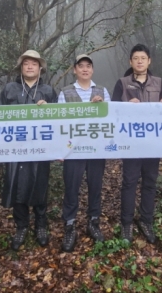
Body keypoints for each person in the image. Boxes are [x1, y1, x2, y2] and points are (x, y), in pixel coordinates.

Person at [0, 50, 58, 251]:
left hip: (41, 147)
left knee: (40, 183)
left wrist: (48, 109)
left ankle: (41, 225)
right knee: (17, 185)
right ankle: (21, 226)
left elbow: (59, 120)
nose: (30, 66)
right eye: (26, 64)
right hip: (15, 148)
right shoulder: (9, 89)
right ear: (21, 68)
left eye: (34, 63)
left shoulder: (48, 91)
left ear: (40, 68)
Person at [111, 43, 162, 244]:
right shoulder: (123, 83)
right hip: (131, 142)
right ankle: (126, 223)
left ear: (149, 60)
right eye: (136, 58)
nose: (140, 61)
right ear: (131, 61)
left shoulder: (159, 83)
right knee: (129, 182)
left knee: (150, 182)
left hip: (153, 142)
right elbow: (113, 109)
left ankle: (146, 221)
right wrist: (126, 106)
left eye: (143, 58)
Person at [57, 54, 110, 252]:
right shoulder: (65, 92)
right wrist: (60, 150)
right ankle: (70, 225)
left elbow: (109, 117)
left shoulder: (102, 91)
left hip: (96, 149)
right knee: (71, 187)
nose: (85, 69)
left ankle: (93, 221)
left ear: (93, 70)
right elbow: (60, 122)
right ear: (75, 70)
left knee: (95, 186)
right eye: (81, 66)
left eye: (89, 66)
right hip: (73, 150)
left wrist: (101, 106)